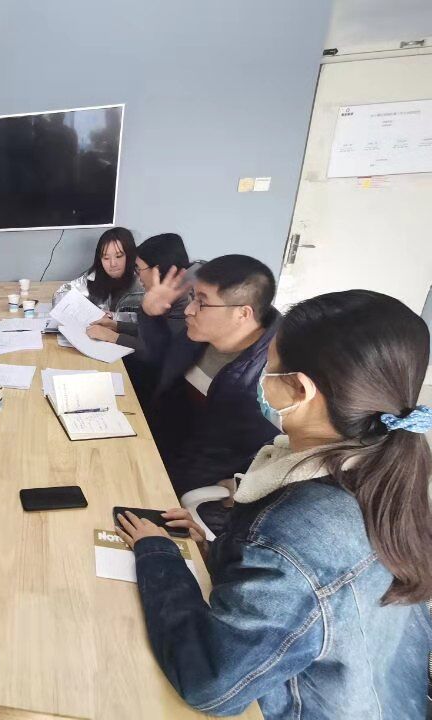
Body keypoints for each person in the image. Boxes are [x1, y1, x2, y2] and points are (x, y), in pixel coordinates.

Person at [116, 290, 432, 719]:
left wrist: (159, 555)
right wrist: (215, 550)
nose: (261, 378)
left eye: (269, 366)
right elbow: (310, 600)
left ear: (300, 389)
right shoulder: (386, 472)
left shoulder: (299, 528)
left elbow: (210, 682)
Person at [137, 254, 280, 499]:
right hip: (155, 448)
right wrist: (151, 316)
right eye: (192, 297)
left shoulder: (265, 385)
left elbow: (214, 461)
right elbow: (164, 364)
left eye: (202, 302)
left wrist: (156, 486)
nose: (189, 310)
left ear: (242, 314)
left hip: (177, 486)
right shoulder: (200, 335)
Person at [86, 232, 198, 352]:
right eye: (106, 258)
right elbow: (152, 332)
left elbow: (158, 349)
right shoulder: (164, 291)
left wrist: (113, 337)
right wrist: (117, 326)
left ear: (157, 270)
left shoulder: (182, 297)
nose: (137, 274)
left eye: (139, 268)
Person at [51, 226, 144, 315]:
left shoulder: (143, 281)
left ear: (130, 255)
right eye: (106, 258)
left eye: (119, 256)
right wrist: (89, 313)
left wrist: (115, 318)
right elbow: (60, 296)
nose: (112, 264)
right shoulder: (93, 278)